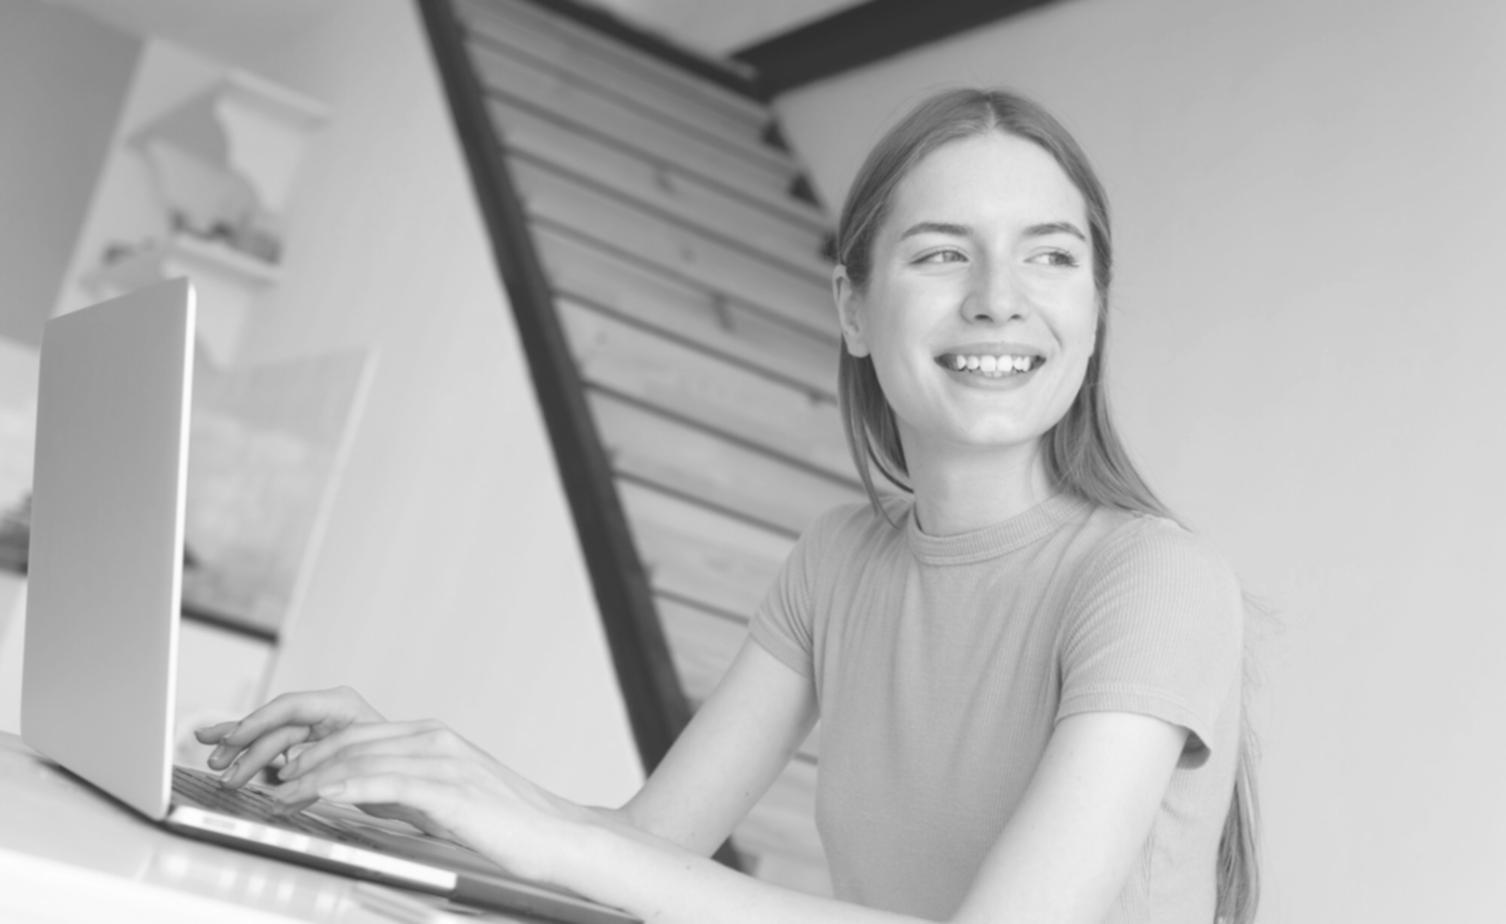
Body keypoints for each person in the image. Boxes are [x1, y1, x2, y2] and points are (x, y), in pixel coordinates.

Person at [196, 88, 1259, 924]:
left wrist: (550, 836)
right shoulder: (839, 561)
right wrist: (424, 774)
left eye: (1051, 256)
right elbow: (650, 846)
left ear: (1094, 306)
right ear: (852, 306)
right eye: (942, 252)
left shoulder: (1155, 582)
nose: (999, 295)